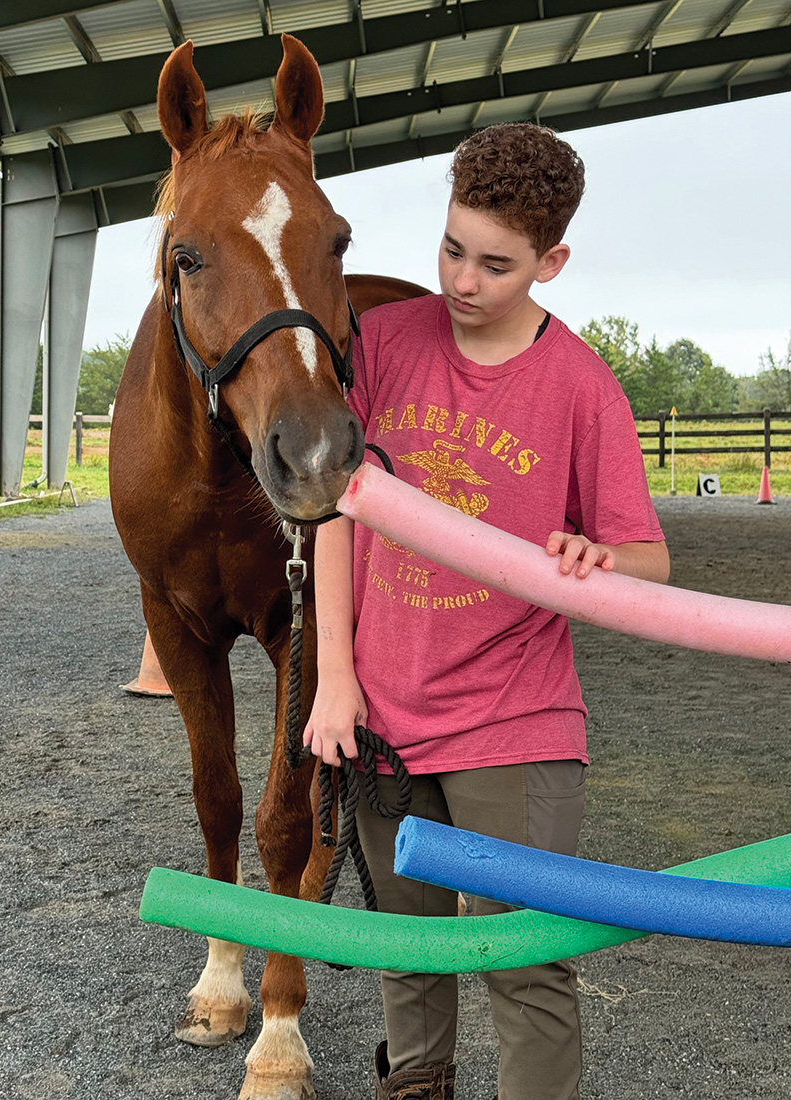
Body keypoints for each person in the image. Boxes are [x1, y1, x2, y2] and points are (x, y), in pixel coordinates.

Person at [304, 122, 670, 1100]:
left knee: (524, 957)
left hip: (515, 718)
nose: (462, 281)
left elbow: (649, 557)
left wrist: (599, 557)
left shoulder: (580, 388)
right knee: (407, 948)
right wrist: (336, 681)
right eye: (451, 248)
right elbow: (337, 513)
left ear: (550, 260)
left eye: (495, 265)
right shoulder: (380, 343)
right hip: (382, 708)